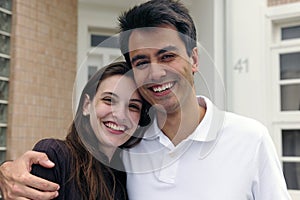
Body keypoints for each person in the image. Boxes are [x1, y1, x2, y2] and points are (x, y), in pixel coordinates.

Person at [0, 0, 292, 199]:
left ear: (193, 58)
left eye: (167, 56)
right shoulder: (129, 145)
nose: (155, 72)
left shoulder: (250, 139)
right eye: (141, 62)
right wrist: (8, 171)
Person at [0, 61, 150, 200]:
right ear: (86, 105)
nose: (120, 115)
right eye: (109, 100)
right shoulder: (54, 156)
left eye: (133, 106)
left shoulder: (126, 173)